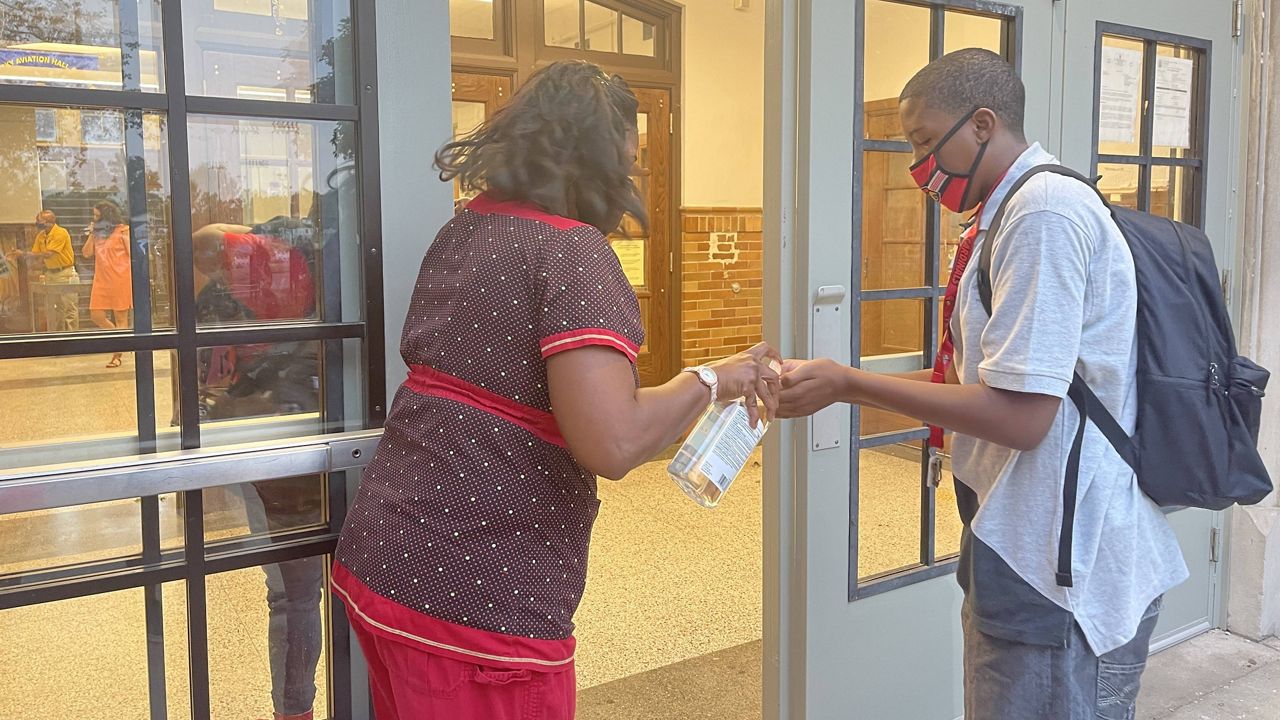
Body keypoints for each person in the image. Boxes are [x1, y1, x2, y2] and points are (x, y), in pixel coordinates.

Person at [331, 60, 780, 720]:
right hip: (479, 603)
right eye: (624, 161)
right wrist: (711, 378)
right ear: (595, 159)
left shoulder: (465, 228)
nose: (625, 180)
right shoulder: (572, 252)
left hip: (384, 564)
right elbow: (613, 440)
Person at [777, 49, 1188, 719]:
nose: (917, 168)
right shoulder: (1005, 215)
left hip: (1060, 576)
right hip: (1026, 545)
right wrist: (839, 385)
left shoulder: (1043, 215)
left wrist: (850, 381)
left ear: (983, 125)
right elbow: (974, 380)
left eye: (921, 141)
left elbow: (1023, 417)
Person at [192, 217, 325, 720]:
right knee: (328, 592)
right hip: (332, 434)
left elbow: (202, 237)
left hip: (265, 451)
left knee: (292, 597)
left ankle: (294, 710)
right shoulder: (334, 279)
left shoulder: (223, 297)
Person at [9, 210, 79, 331]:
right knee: (57, 309)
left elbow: (48, 254)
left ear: (49, 222)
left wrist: (24, 253)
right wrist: (19, 257)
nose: (37, 224)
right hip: (50, 273)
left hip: (65, 273)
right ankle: (59, 338)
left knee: (69, 309)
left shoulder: (60, 233)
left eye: (39, 222)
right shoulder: (41, 235)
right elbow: (36, 254)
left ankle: (73, 340)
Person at [82, 200, 132, 367]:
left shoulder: (123, 230)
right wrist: (91, 233)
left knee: (120, 317)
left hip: (120, 277)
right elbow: (86, 253)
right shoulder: (98, 233)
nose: (94, 218)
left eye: (97, 215)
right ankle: (121, 341)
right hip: (101, 279)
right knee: (96, 315)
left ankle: (117, 355)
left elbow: (134, 253)